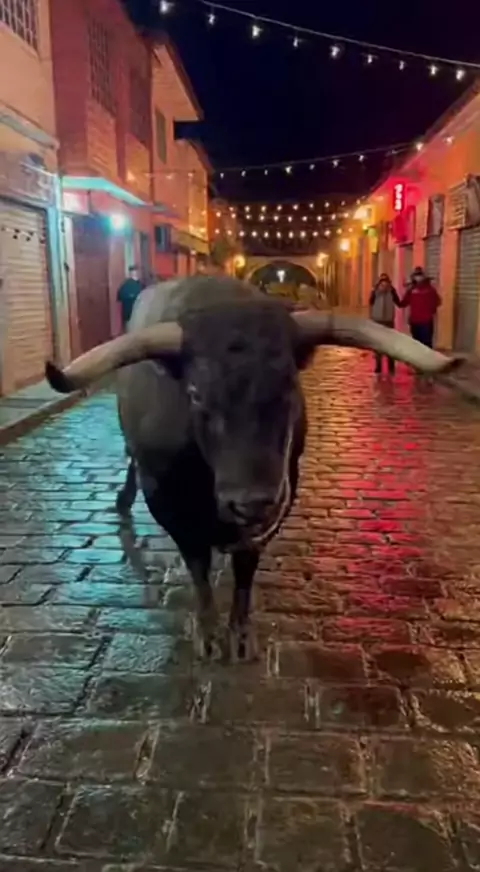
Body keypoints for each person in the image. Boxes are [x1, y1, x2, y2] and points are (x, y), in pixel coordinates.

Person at [399, 266, 441, 348]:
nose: (418, 277)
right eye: (416, 275)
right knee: (416, 343)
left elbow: (437, 301)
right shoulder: (411, 290)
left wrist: (431, 311)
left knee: (426, 343)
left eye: (420, 275)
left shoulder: (429, 289)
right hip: (414, 321)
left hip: (426, 321)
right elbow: (403, 303)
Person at [368, 273, 401, 374]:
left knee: (389, 345)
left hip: (388, 320)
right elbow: (370, 302)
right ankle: (379, 366)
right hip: (378, 320)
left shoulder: (392, 291)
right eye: (382, 282)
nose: (384, 284)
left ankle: (390, 366)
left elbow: (398, 302)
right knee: (378, 345)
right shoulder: (375, 291)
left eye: (386, 282)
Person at [117, 266, 144, 330]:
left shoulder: (125, 285)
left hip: (130, 312)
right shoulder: (137, 284)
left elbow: (119, 297)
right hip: (133, 312)